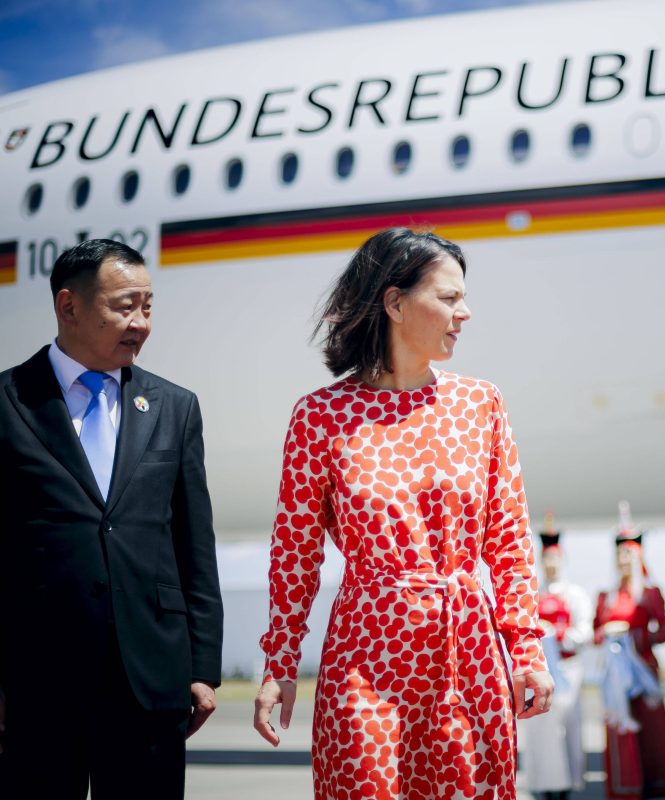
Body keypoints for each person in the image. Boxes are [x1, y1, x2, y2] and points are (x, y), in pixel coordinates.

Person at [252, 228, 552, 800]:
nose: (464, 313)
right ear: (394, 303)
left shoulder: (479, 404)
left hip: (466, 652)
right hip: (365, 658)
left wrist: (527, 653)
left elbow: (509, 545)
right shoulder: (321, 417)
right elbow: (294, 553)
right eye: (448, 297)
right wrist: (279, 664)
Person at [0, 239, 223, 799]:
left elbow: (194, 544)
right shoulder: (8, 402)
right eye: (125, 306)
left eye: (148, 306)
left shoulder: (175, 407)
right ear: (68, 307)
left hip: (150, 680)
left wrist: (202, 666)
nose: (141, 323)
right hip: (36, 683)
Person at [593, 504, 665, 799]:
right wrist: (609, 635)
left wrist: (635, 637)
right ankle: (625, 786)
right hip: (616, 673)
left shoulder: (650, 594)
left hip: (643, 669)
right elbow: (595, 632)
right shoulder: (606, 595)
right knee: (621, 729)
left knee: (651, 731)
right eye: (620, 555)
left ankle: (658, 782)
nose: (624, 560)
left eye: (629, 554)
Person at [518, 514, 592, 800]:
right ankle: (543, 784)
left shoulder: (575, 594)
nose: (550, 564)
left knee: (567, 729)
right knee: (541, 730)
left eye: (554, 559)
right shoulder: (533, 594)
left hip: (568, 668)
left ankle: (567, 784)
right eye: (545, 559)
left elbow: (584, 631)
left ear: (561, 561)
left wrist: (561, 634)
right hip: (542, 669)